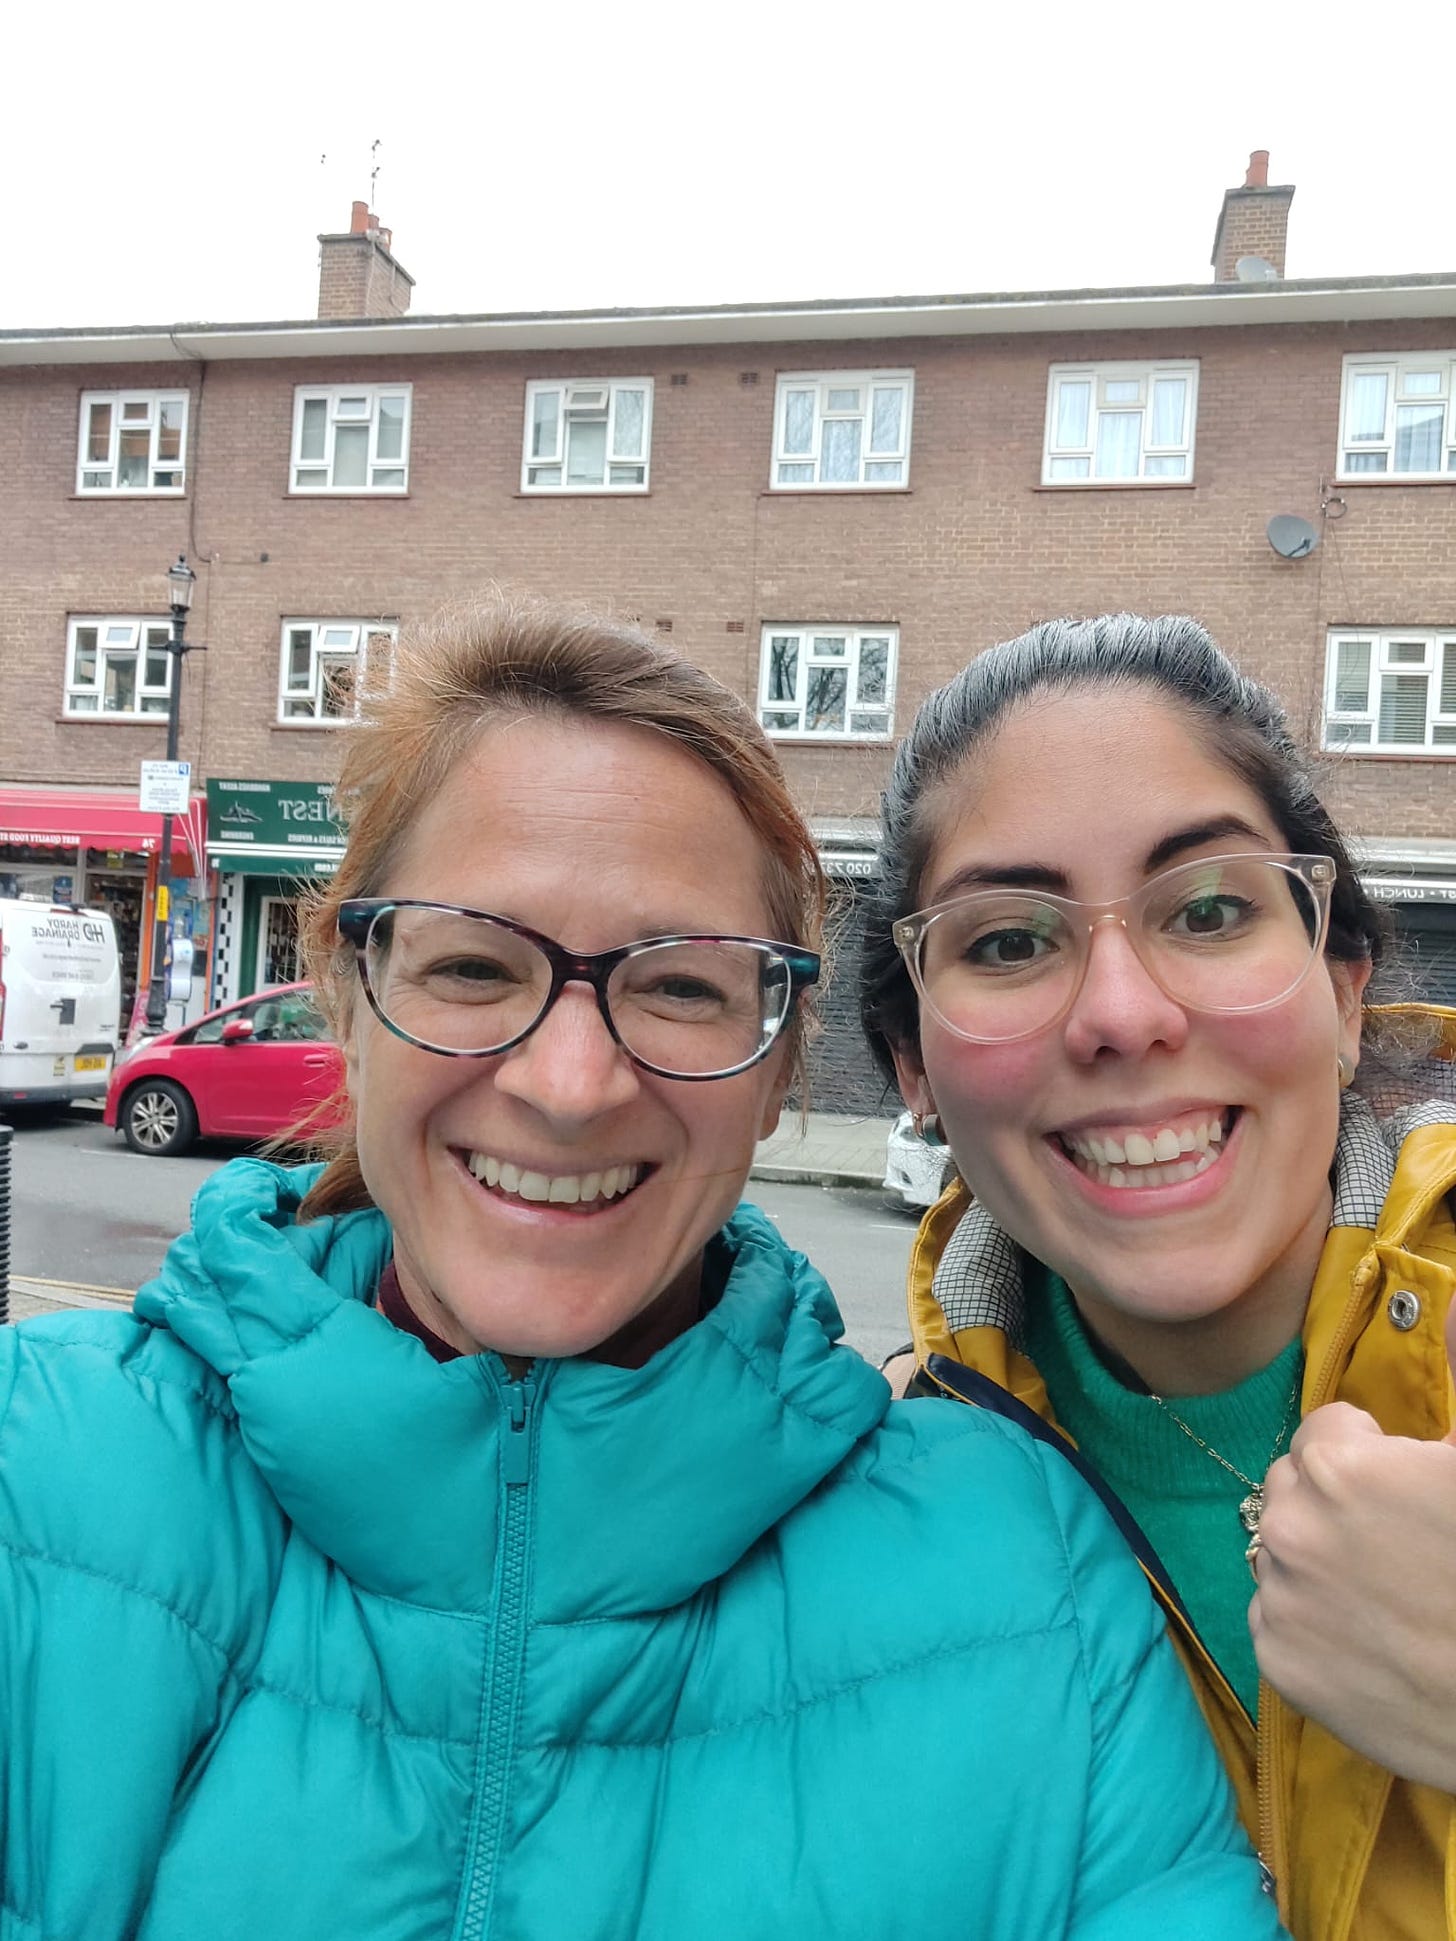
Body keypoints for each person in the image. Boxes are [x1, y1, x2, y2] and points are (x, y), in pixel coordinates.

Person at [0, 600, 1285, 1941]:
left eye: (679, 986)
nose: (568, 1084)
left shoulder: (1031, 1576)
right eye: (475, 964)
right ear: (348, 992)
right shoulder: (35, 1468)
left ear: (782, 1062)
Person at [861, 612, 1456, 1941]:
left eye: (1210, 907)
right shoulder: (871, 1513)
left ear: (1344, 991)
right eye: (1008, 940)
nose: (1122, 1011)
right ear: (913, 1071)